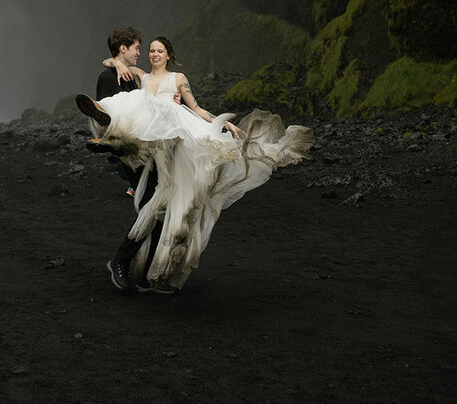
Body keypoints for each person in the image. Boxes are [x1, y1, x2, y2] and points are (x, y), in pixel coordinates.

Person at [77, 36, 312, 294]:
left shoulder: (178, 79)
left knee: (162, 209)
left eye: (159, 51)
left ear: (168, 54)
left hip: (171, 146)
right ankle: (106, 124)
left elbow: (197, 108)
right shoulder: (139, 75)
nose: (153, 54)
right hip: (150, 146)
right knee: (132, 108)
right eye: (150, 50)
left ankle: (144, 273)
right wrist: (116, 63)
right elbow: (112, 60)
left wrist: (223, 123)